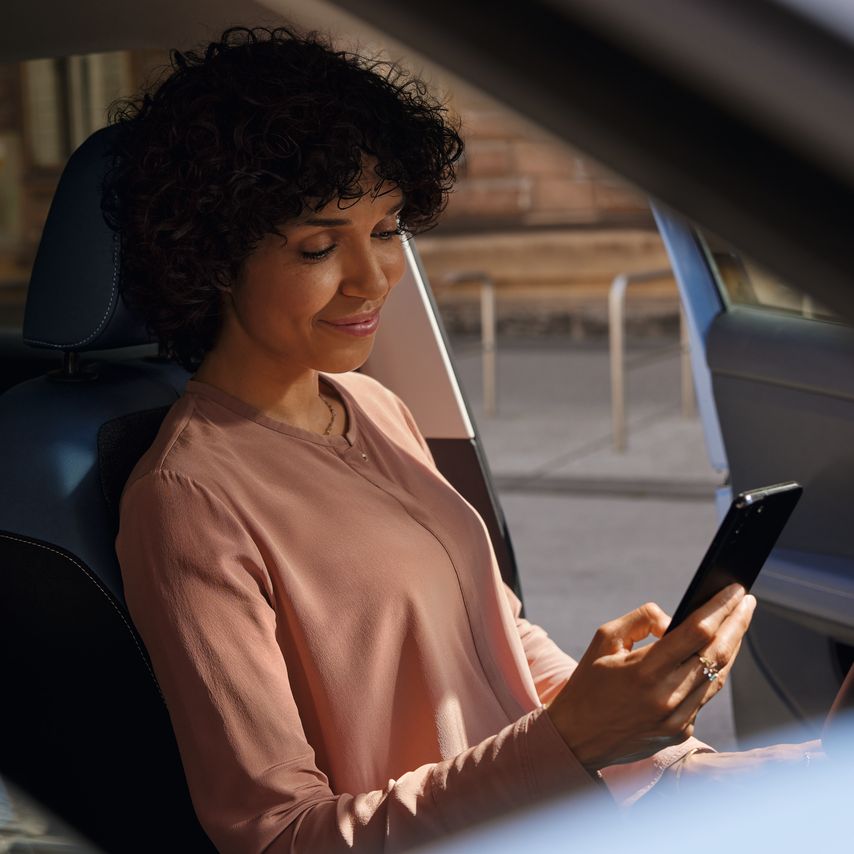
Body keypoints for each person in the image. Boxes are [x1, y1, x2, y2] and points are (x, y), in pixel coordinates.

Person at [111, 26, 817, 853]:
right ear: (214, 257)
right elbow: (277, 837)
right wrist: (581, 743)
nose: (375, 278)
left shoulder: (373, 406)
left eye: (385, 229)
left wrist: (651, 737)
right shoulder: (187, 500)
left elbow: (495, 641)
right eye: (317, 245)